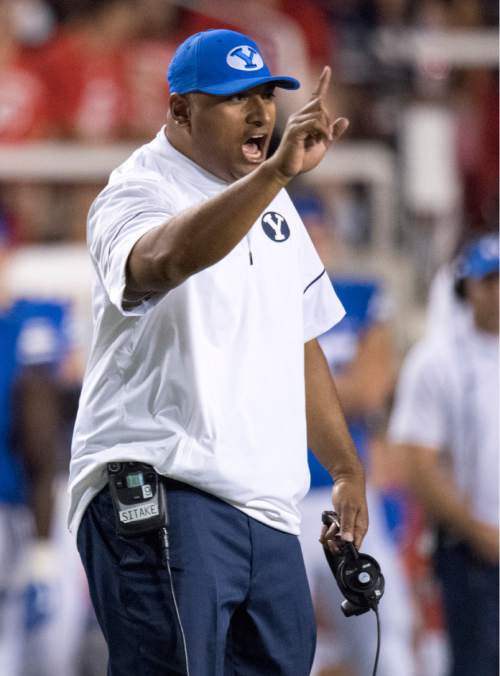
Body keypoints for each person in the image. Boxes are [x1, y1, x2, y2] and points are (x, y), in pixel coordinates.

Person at [69, 28, 368, 675]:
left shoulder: (274, 201)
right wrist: (279, 173)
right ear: (180, 110)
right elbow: (164, 259)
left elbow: (299, 337)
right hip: (166, 480)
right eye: (235, 98)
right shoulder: (136, 190)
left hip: (267, 507)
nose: (260, 111)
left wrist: (345, 470)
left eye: (266, 95)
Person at [389, 233, 499, 676]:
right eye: (489, 281)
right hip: (471, 548)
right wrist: (479, 532)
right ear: (466, 288)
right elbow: (418, 462)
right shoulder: (436, 362)